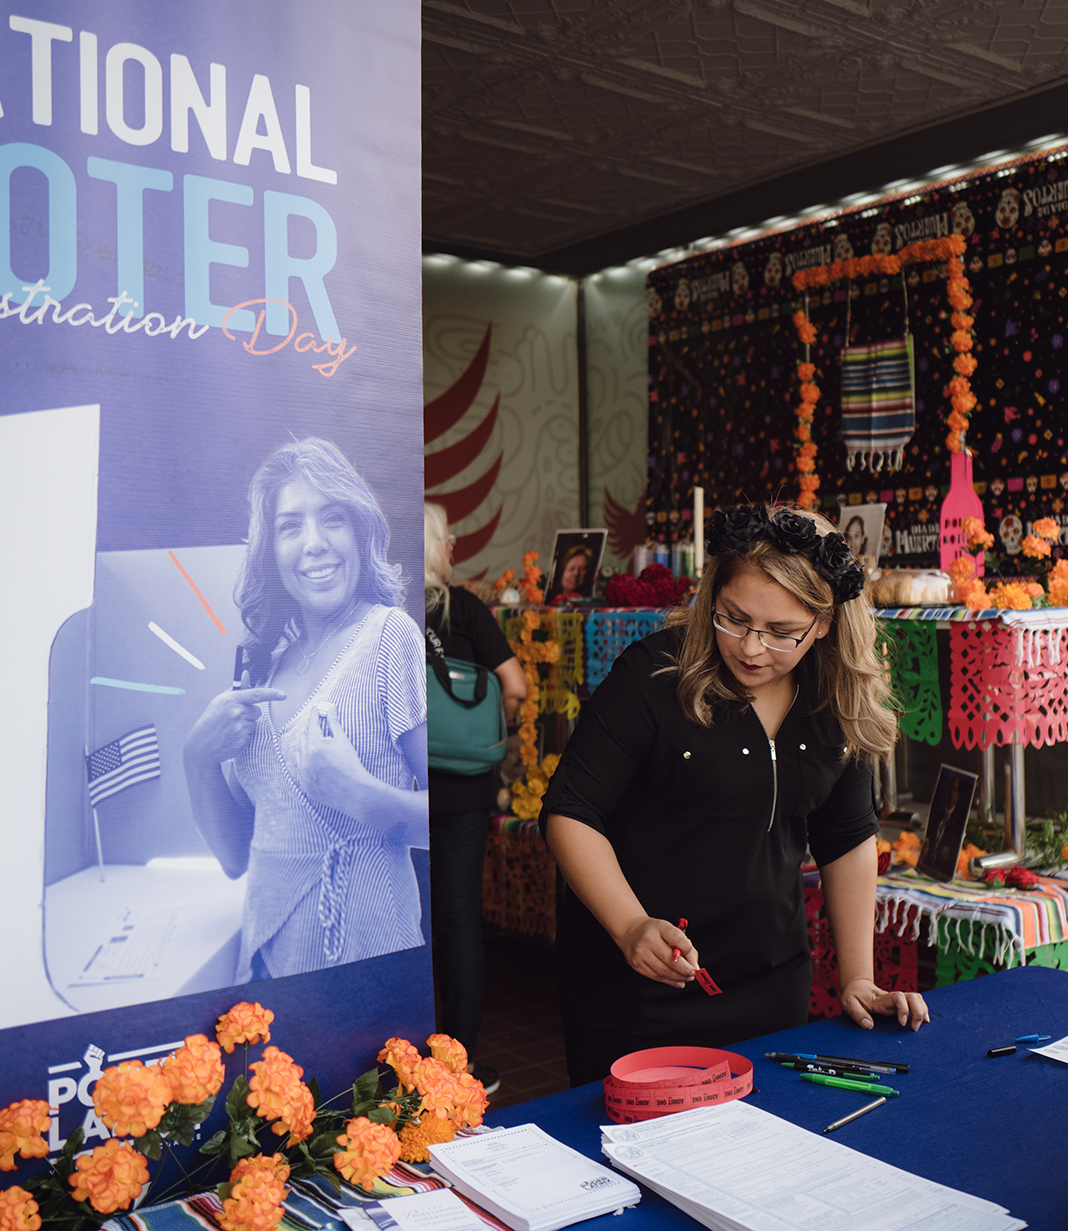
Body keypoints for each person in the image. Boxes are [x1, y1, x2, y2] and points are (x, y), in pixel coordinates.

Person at [542, 505, 928, 1085]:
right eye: (734, 619)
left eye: (780, 632)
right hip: (639, 993)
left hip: (770, 992)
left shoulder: (833, 699)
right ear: (712, 597)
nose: (751, 648)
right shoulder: (653, 677)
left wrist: (858, 980)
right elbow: (571, 811)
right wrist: (630, 927)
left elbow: (846, 839)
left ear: (824, 624)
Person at [183, 437, 428, 980]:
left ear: (359, 531)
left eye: (332, 519)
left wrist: (362, 797)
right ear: (269, 548)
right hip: (268, 973)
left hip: (363, 969)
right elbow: (234, 857)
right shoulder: (264, 664)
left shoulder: (389, 636)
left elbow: (448, 820)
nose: (313, 543)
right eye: (290, 526)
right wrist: (195, 759)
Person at [424, 503, 526, 1093]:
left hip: (395, 784)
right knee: (459, 914)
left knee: (400, 919)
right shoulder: (464, 608)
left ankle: (398, 1054)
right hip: (465, 786)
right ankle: (458, 1063)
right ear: (441, 545)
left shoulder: (381, 614)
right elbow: (515, 684)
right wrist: (482, 731)